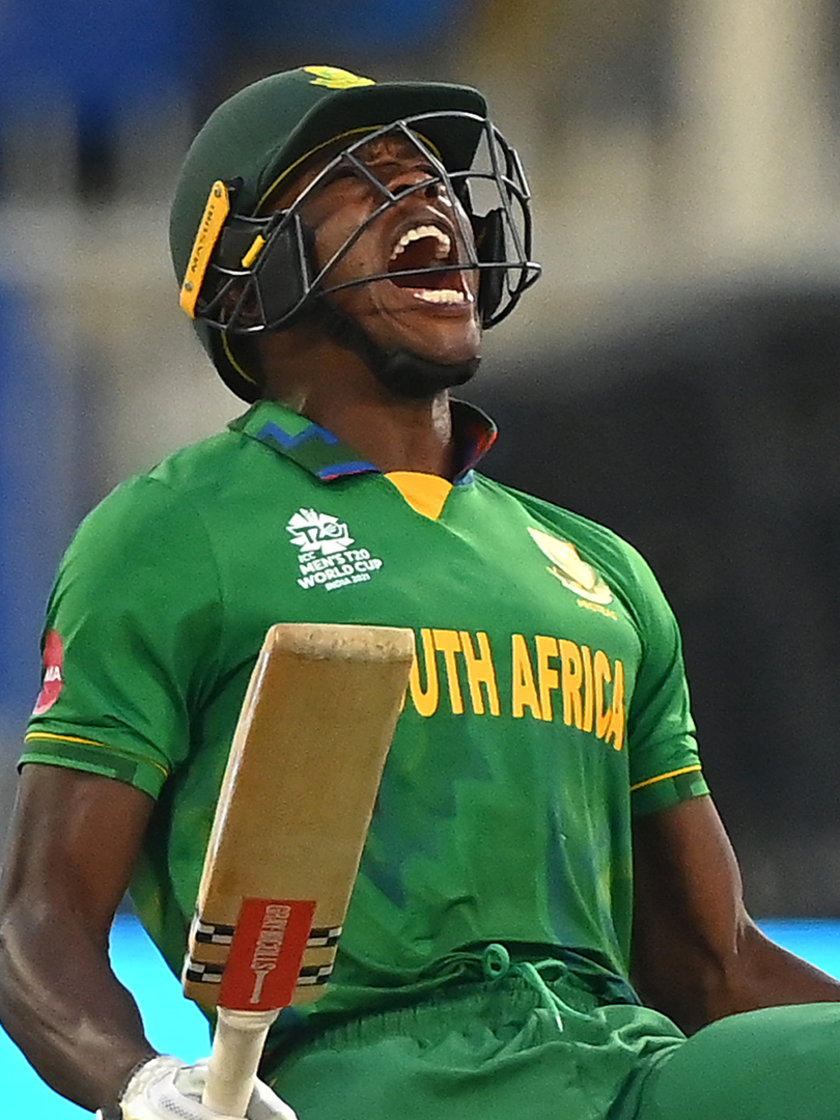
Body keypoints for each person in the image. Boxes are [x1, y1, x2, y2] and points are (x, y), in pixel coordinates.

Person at [1, 62, 839, 1120]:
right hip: (376, 1081)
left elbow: (713, 967)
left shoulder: (599, 569)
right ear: (247, 275)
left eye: (436, 180)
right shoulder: (170, 535)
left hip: (627, 1066)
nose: (430, 200)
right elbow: (38, 918)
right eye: (368, 182)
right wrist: (134, 1081)